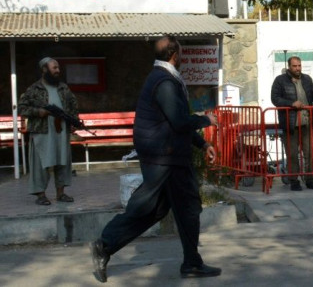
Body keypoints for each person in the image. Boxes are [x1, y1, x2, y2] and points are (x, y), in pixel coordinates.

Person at [90, 36, 220, 283]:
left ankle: (106, 246)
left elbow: (175, 122)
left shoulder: (163, 78)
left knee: (156, 209)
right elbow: (180, 121)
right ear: (174, 54)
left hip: (167, 155)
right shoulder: (165, 82)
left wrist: (202, 144)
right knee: (182, 207)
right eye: (181, 51)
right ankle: (105, 245)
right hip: (166, 157)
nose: (182, 56)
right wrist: (206, 120)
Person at [19, 57, 79, 206]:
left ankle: (61, 193)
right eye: (54, 68)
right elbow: (22, 108)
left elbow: (73, 105)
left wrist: (73, 120)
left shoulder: (63, 88)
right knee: (40, 164)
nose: (58, 71)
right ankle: (41, 195)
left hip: (61, 131)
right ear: (44, 69)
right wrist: (40, 112)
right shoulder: (34, 89)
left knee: (62, 161)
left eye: (58, 68)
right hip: (42, 132)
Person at [271, 56, 313, 191]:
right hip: (291, 124)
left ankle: (309, 179)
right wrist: (291, 104)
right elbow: (275, 98)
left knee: (311, 153)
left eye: (299, 66)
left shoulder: (307, 79)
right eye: (295, 66)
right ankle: (294, 181)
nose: (297, 68)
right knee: (292, 154)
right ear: (289, 66)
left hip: (307, 122)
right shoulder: (280, 80)